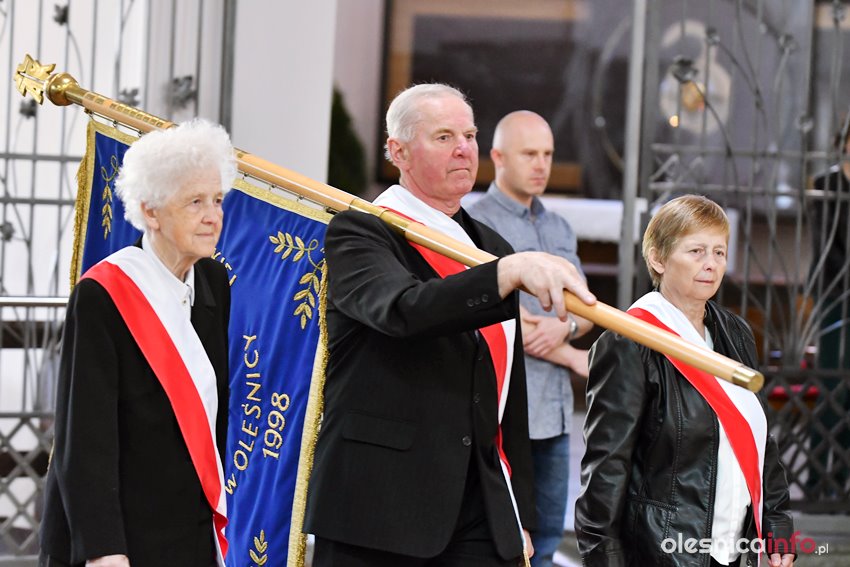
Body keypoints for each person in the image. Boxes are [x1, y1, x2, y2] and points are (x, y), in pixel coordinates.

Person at [303, 84, 596, 567]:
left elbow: (508, 392)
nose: (463, 148)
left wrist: (519, 511)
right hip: (379, 505)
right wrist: (505, 274)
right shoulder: (361, 231)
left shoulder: (491, 246)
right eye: (443, 137)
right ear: (398, 151)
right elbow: (403, 310)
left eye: (469, 135)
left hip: (479, 503)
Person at [39, 119, 237, 567]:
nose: (213, 216)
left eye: (217, 200)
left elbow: (211, 415)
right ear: (151, 212)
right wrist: (104, 550)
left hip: (187, 531)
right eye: (195, 202)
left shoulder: (213, 281)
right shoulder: (102, 294)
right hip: (118, 535)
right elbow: (83, 438)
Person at [575, 195, 795, 567]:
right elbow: (606, 467)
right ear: (658, 259)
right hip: (662, 550)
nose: (711, 264)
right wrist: (604, 558)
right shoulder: (629, 340)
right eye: (696, 251)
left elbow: (758, 438)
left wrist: (777, 531)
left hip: (730, 548)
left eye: (719, 252)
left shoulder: (735, 332)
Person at [467, 110, 592, 567]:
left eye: (548, 154)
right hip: (502, 410)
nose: (541, 165)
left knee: (546, 539)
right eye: (529, 154)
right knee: (497, 540)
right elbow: (480, 313)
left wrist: (567, 327)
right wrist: (570, 354)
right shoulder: (473, 221)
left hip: (554, 412)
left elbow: (586, 311)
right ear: (498, 157)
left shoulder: (558, 227)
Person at [806, 127, 850, 497]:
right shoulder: (826, 184)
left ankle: (841, 483)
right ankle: (817, 480)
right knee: (831, 387)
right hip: (836, 294)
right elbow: (826, 249)